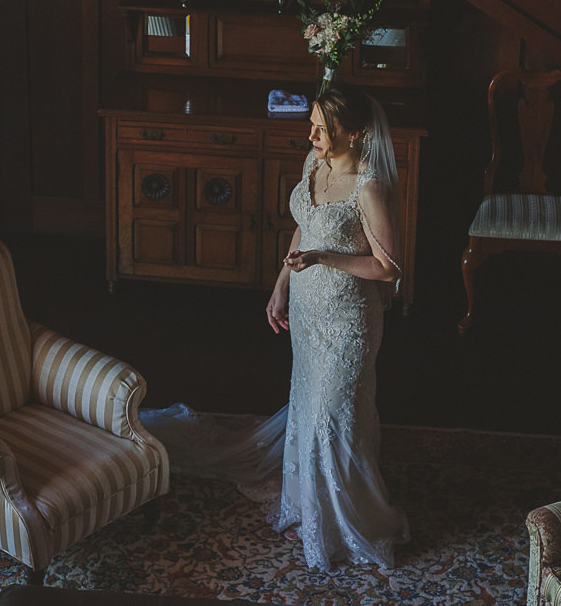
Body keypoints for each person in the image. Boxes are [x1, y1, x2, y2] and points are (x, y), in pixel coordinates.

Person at [143, 85, 409, 569]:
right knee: (309, 407)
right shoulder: (316, 164)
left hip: (347, 319)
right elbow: (304, 226)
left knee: (335, 418)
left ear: (355, 133)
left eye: (322, 130)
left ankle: (349, 523)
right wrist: (281, 283)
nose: (311, 136)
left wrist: (323, 258)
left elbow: (388, 268)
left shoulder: (368, 188)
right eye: (311, 124)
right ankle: (311, 508)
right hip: (308, 310)